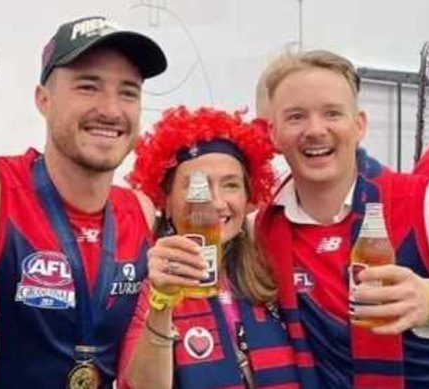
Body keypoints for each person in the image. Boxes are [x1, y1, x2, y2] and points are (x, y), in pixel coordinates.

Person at [0, 16, 167, 388]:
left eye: (128, 92)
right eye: (88, 87)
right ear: (44, 100)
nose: (110, 109)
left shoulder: (139, 209)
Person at [257, 49, 429, 388]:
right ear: (273, 133)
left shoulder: (422, 204)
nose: (315, 130)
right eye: (296, 117)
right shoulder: (260, 229)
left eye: (332, 113)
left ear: (360, 125)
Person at [118, 106, 318, 389]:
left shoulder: (271, 272)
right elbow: (141, 385)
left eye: (231, 185)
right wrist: (162, 303)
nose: (214, 202)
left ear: (249, 196)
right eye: (196, 186)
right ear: (167, 203)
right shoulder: (144, 282)